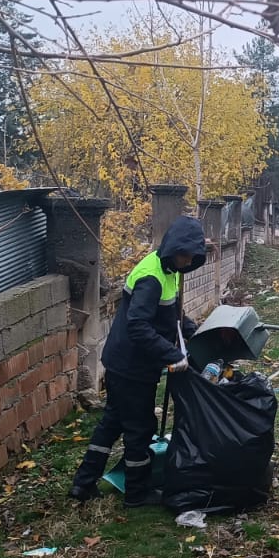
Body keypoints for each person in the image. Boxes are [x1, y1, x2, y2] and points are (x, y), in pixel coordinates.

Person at [69, 216, 207, 507]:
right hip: (131, 367)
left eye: (193, 256)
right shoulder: (151, 277)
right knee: (140, 428)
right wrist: (173, 355)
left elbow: (172, 313)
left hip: (126, 363)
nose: (189, 260)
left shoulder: (168, 270)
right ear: (174, 248)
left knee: (112, 423)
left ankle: (83, 484)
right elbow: (138, 326)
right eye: (186, 254)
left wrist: (193, 331)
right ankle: (137, 492)